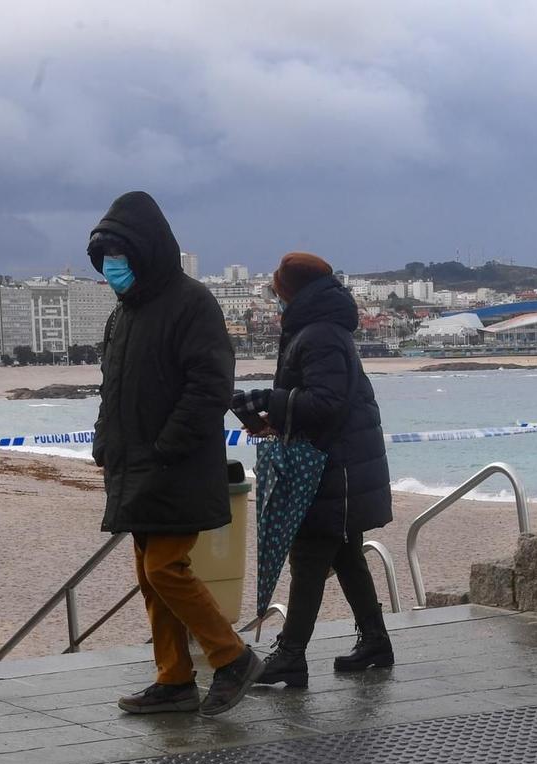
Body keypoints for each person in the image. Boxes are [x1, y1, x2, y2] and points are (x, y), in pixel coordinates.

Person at [87, 191, 259, 717]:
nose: (113, 266)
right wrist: (104, 442)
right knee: (148, 573)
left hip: (177, 467)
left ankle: (232, 658)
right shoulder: (122, 315)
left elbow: (210, 387)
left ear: (149, 251)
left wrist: (167, 447)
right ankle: (174, 678)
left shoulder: (192, 303)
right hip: (134, 467)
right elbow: (111, 389)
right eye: (106, 258)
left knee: (164, 568)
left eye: (121, 255)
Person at [248, 253, 395, 688]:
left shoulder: (319, 334)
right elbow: (320, 400)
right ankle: (375, 640)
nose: (274, 298)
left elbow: (326, 403)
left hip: (333, 467)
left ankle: (291, 654)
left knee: (310, 553)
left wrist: (268, 402)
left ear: (291, 290)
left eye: (276, 289)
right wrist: (275, 415)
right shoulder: (318, 329)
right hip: (338, 462)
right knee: (345, 553)